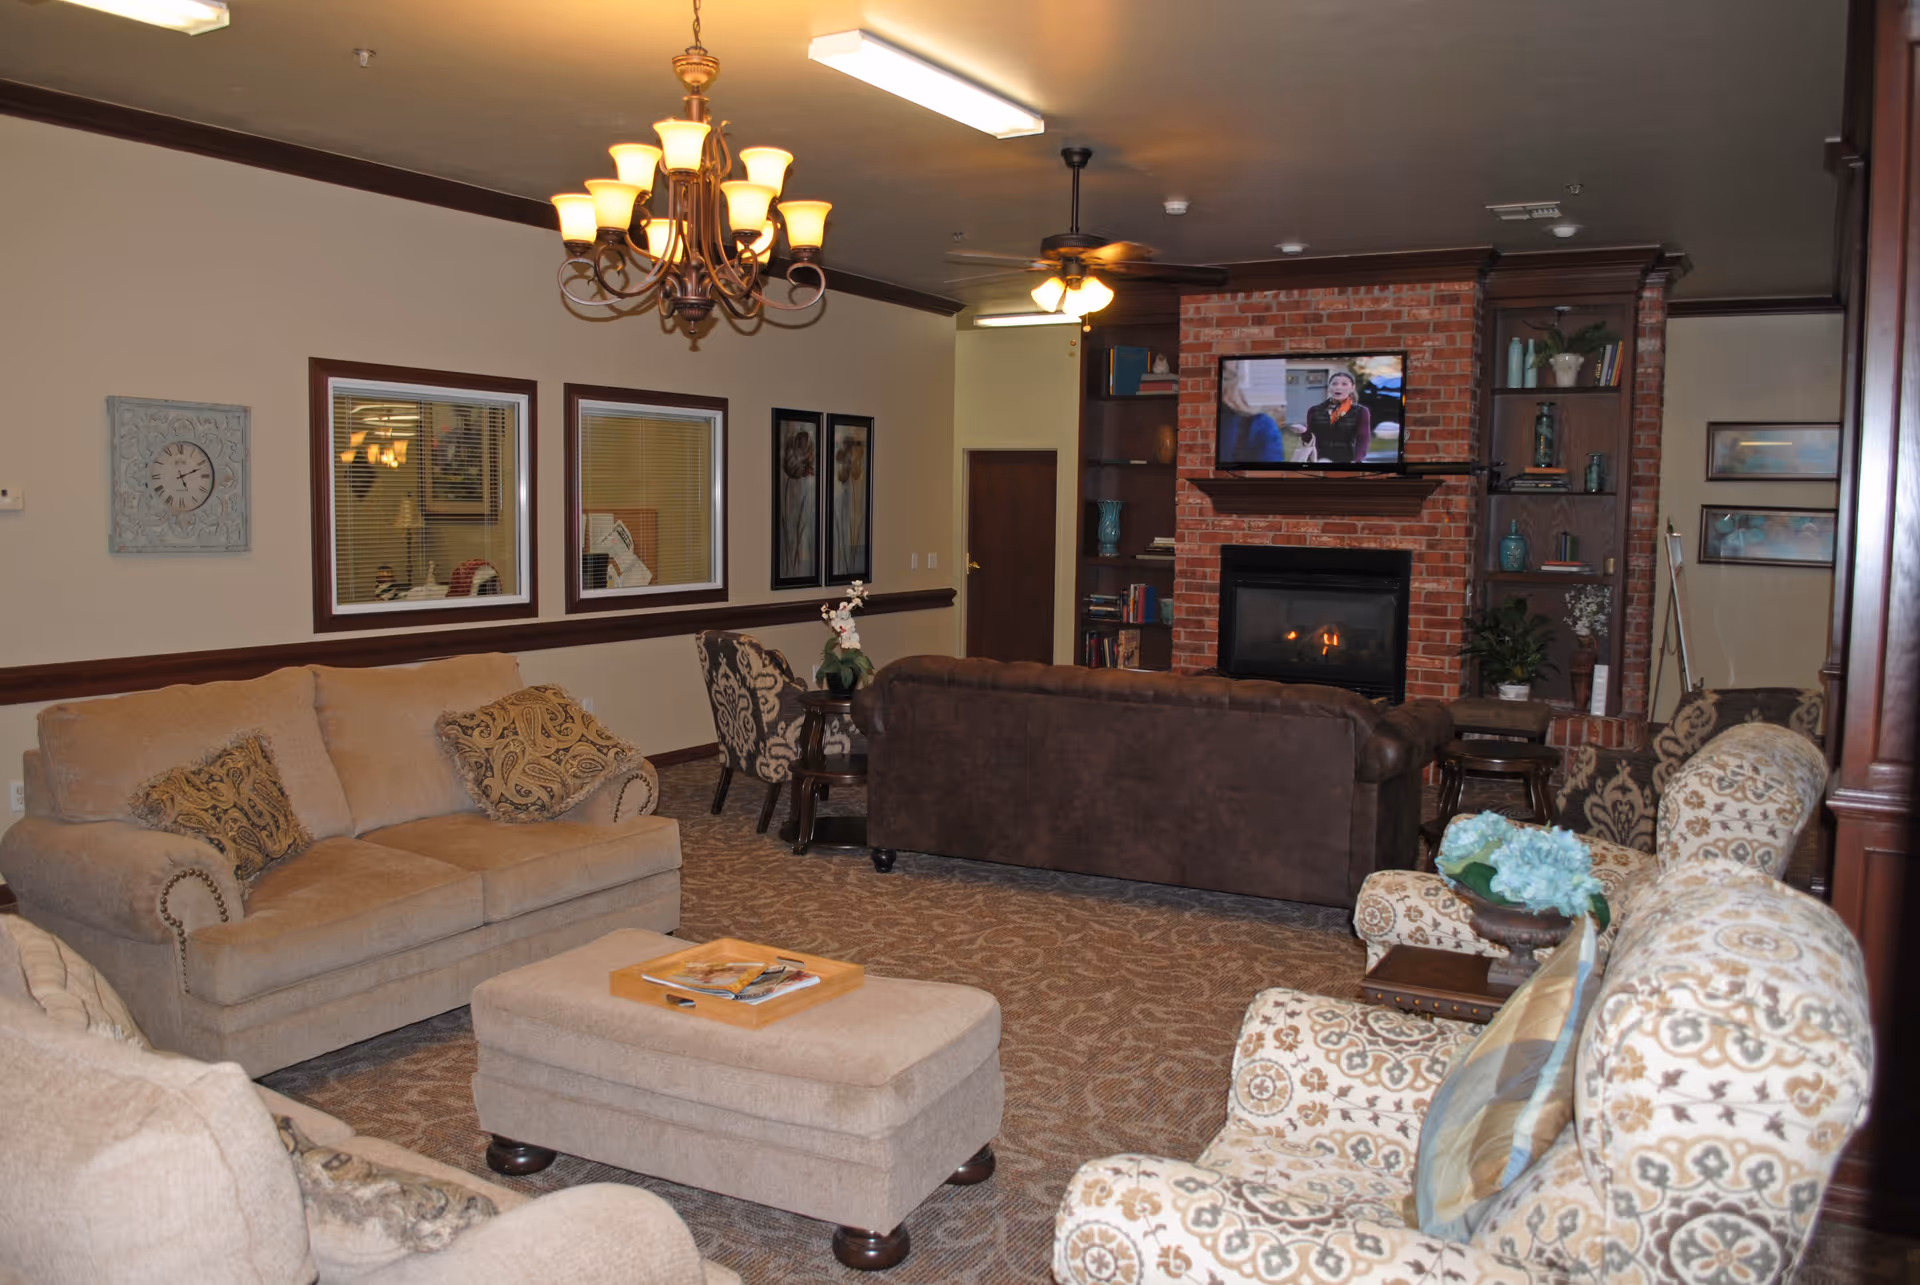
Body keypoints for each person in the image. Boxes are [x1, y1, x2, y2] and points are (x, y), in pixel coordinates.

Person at [1303, 371, 1372, 463]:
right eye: (1334, 384)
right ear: (1329, 388)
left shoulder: (1361, 412)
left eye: (1344, 384)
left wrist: (1357, 460)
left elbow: (1363, 439)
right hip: (1319, 460)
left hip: (1347, 461)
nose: (1338, 387)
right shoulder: (1314, 411)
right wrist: (1302, 432)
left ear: (1352, 388)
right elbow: (1309, 439)